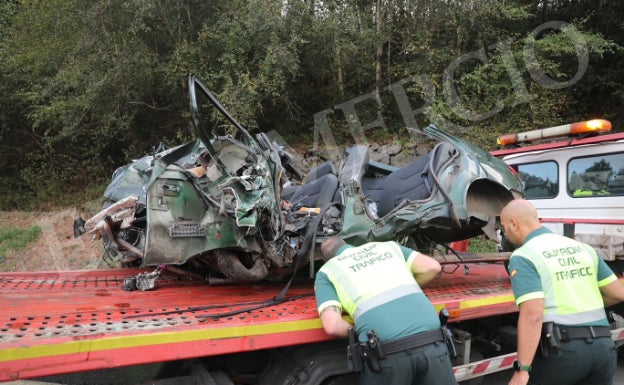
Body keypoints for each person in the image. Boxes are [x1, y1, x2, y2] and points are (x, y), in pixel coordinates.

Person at [501, 199, 624, 385]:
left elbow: (532, 314)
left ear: (513, 223)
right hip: (603, 348)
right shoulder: (583, 248)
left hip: (562, 353)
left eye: (504, 228)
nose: (505, 234)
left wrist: (523, 369)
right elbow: (618, 293)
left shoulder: (524, 255)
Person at [314, 236, 457, 385]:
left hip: (387, 354)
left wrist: (360, 330)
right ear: (348, 244)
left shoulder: (328, 270)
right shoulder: (388, 246)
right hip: (434, 343)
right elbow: (432, 267)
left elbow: (332, 326)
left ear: (327, 259)